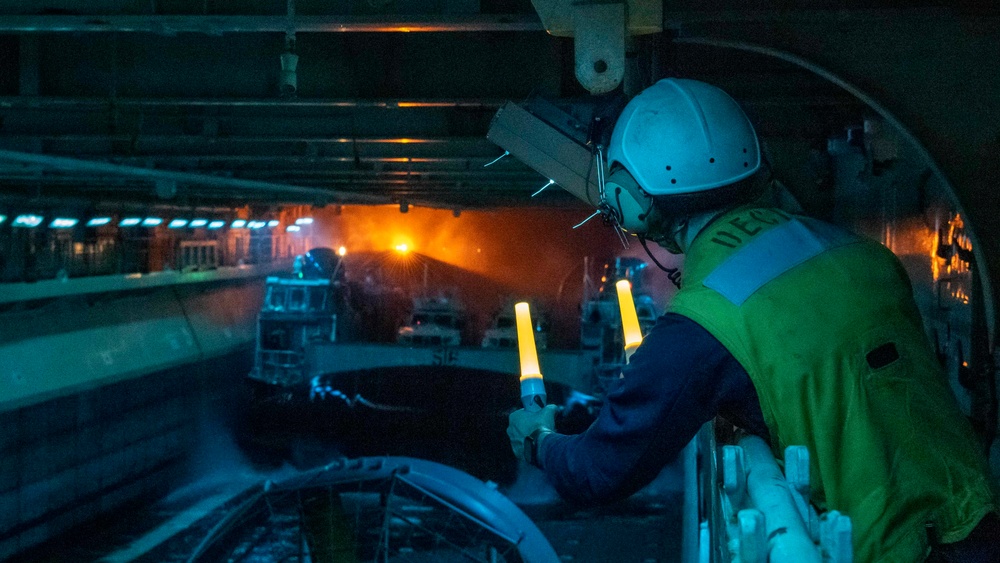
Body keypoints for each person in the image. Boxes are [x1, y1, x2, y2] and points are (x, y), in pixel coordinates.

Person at [507, 78, 998, 562]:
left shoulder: (703, 325)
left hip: (892, 552)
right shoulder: (861, 254)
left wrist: (539, 440)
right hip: (980, 521)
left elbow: (598, 471)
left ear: (630, 201)